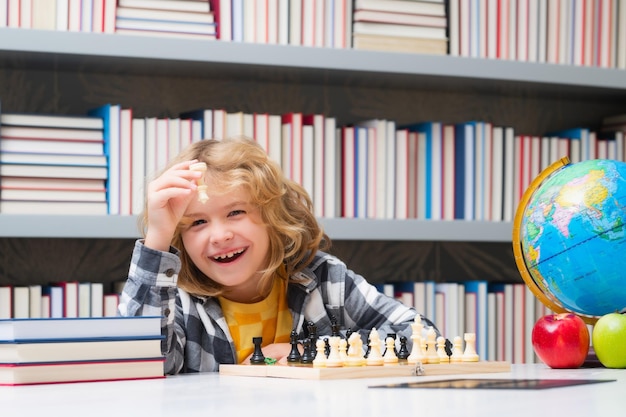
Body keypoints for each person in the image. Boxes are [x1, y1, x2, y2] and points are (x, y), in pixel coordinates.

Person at [118, 136, 438, 374]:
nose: (219, 235)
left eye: (236, 212)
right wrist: (158, 239)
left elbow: (421, 334)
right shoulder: (177, 302)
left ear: (272, 216)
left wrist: (313, 351)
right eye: (198, 222)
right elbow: (136, 364)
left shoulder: (323, 281)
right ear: (180, 238)